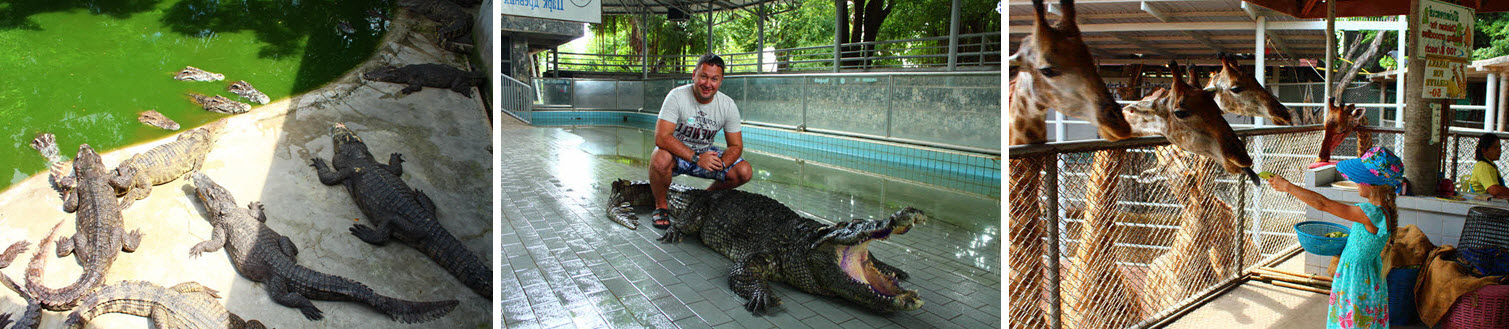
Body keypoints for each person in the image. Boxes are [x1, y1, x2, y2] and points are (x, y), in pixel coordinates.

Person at [1268, 146, 1401, 329]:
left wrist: (1287, 187)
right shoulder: (1383, 210)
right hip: (1367, 275)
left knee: (1352, 322)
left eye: (1358, 180)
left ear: (1371, 184)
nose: (1355, 183)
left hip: (1357, 281)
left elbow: (1323, 204)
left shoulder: (1371, 213)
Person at [648, 54, 754, 229]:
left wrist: (721, 163)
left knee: (744, 171)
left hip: (705, 152)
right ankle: (661, 207)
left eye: (714, 79)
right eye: (703, 76)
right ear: (694, 75)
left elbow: (736, 145)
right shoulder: (676, 96)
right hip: (678, 153)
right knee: (659, 157)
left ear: (720, 81)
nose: (708, 84)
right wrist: (697, 158)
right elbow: (662, 137)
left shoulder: (727, 105)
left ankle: (703, 198)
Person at [1467, 134, 1509, 199]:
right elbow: (1494, 190)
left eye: (1499, 147)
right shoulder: (1484, 166)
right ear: (1484, 150)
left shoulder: (1490, 165)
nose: (1499, 151)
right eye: (1495, 148)